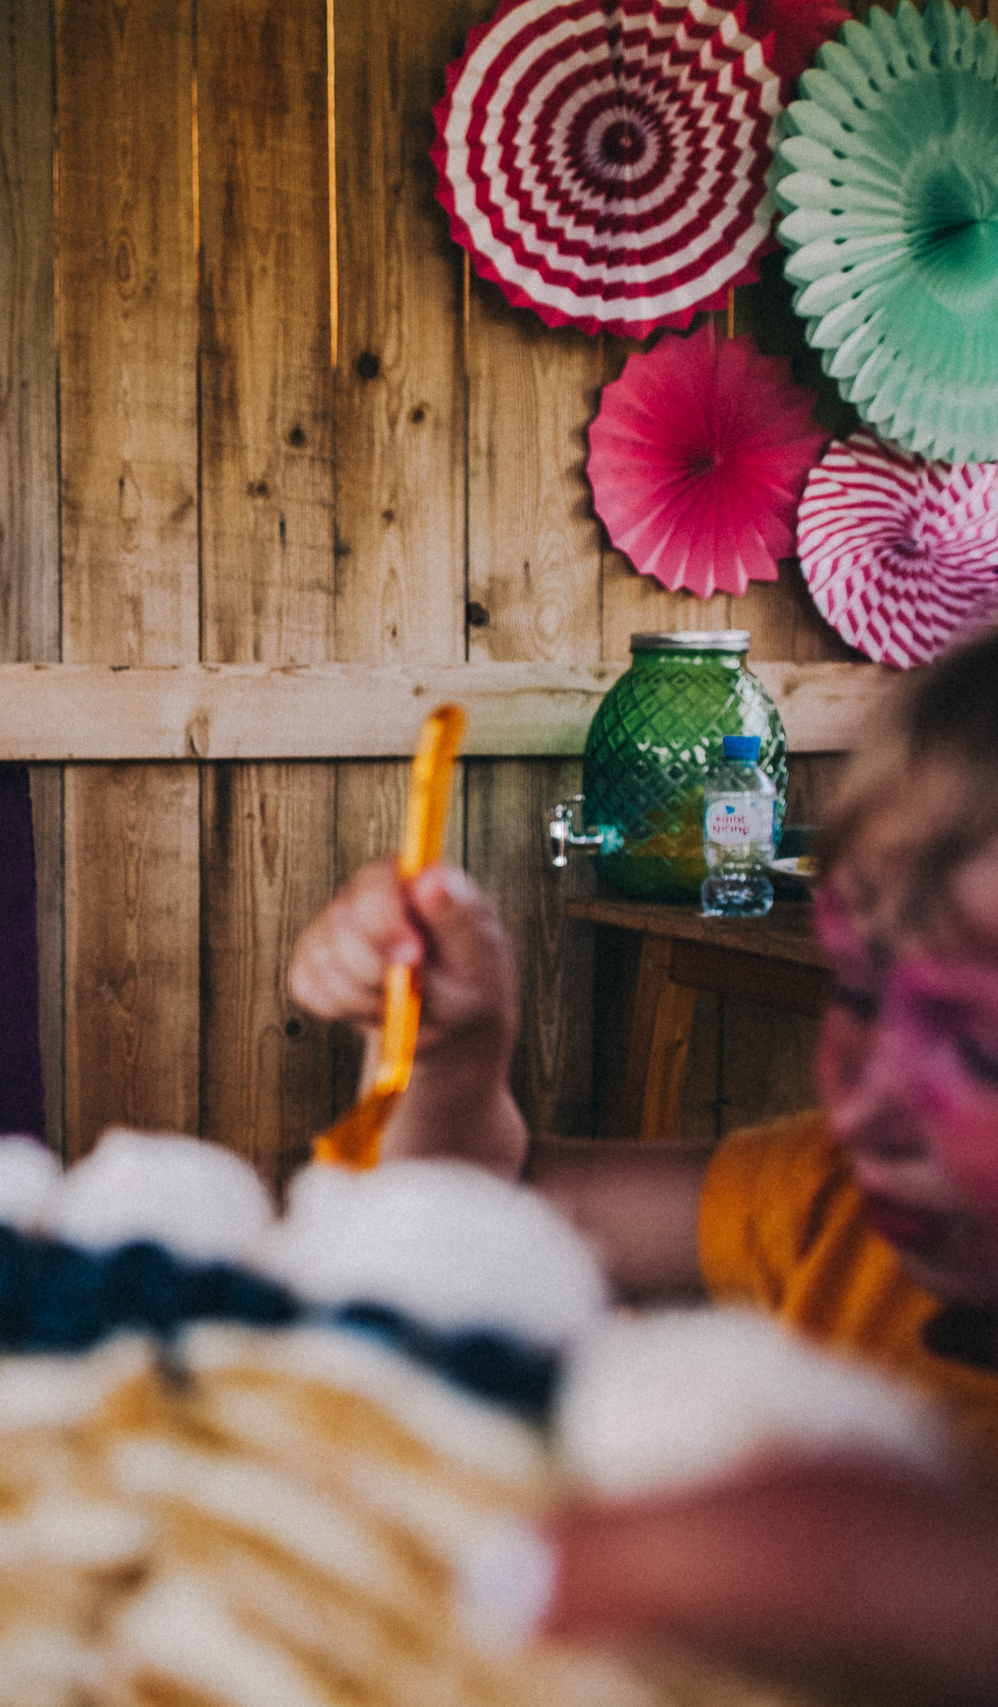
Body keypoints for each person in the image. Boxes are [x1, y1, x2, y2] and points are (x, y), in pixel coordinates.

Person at [290, 624, 998, 1690]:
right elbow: (500, 1218)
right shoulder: (834, 1208)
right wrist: (449, 1058)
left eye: (977, 1040)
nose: (866, 1096)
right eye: (858, 990)